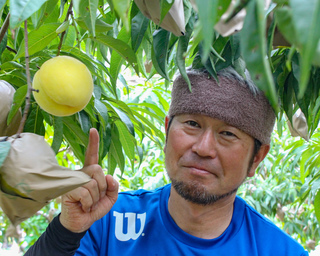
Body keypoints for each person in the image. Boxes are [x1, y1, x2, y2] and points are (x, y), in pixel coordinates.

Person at [25, 67, 308, 256]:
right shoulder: (105, 224)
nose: (203, 148)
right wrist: (66, 230)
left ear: (257, 157)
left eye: (228, 134)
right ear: (167, 130)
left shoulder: (277, 250)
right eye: (192, 124)